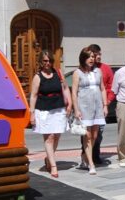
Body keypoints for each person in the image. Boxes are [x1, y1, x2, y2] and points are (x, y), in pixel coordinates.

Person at [28, 50, 71, 178]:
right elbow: (34, 96)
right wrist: (31, 113)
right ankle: (53, 166)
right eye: (45, 61)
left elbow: (65, 89)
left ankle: (48, 158)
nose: (47, 63)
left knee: (57, 136)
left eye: (50, 61)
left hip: (58, 108)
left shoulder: (58, 73)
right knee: (49, 137)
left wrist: (70, 104)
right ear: (41, 62)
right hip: (43, 110)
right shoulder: (37, 77)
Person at [72, 47, 106, 175]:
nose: (92, 59)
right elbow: (74, 93)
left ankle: (84, 156)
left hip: (97, 107)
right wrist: (76, 109)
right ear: (83, 58)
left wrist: (105, 105)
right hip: (84, 107)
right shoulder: (78, 73)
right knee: (87, 136)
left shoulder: (98, 71)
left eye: (93, 56)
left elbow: (102, 89)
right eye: (89, 56)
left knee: (95, 136)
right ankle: (91, 164)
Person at [88, 44, 115, 166]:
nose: (98, 57)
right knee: (87, 132)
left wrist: (107, 102)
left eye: (99, 54)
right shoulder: (85, 68)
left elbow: (111, 87)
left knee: (99, 132)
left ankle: (95, 154)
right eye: (95, 55)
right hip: (87, 106)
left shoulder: (106, 69)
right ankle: (86, 155)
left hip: (101, 105)